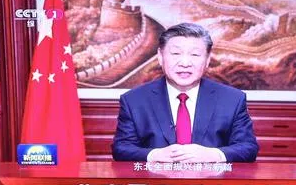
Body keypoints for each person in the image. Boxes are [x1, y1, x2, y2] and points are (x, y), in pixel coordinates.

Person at [111, 23, 259, 164]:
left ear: (207, 60)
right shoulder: (134, 100)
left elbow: (248, 148)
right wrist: (154, 155)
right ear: (160, 57)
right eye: (176, 53)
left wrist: (213, 154)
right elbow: (121, 148)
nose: (185, 62)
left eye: (195, 55)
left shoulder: (232, 99)